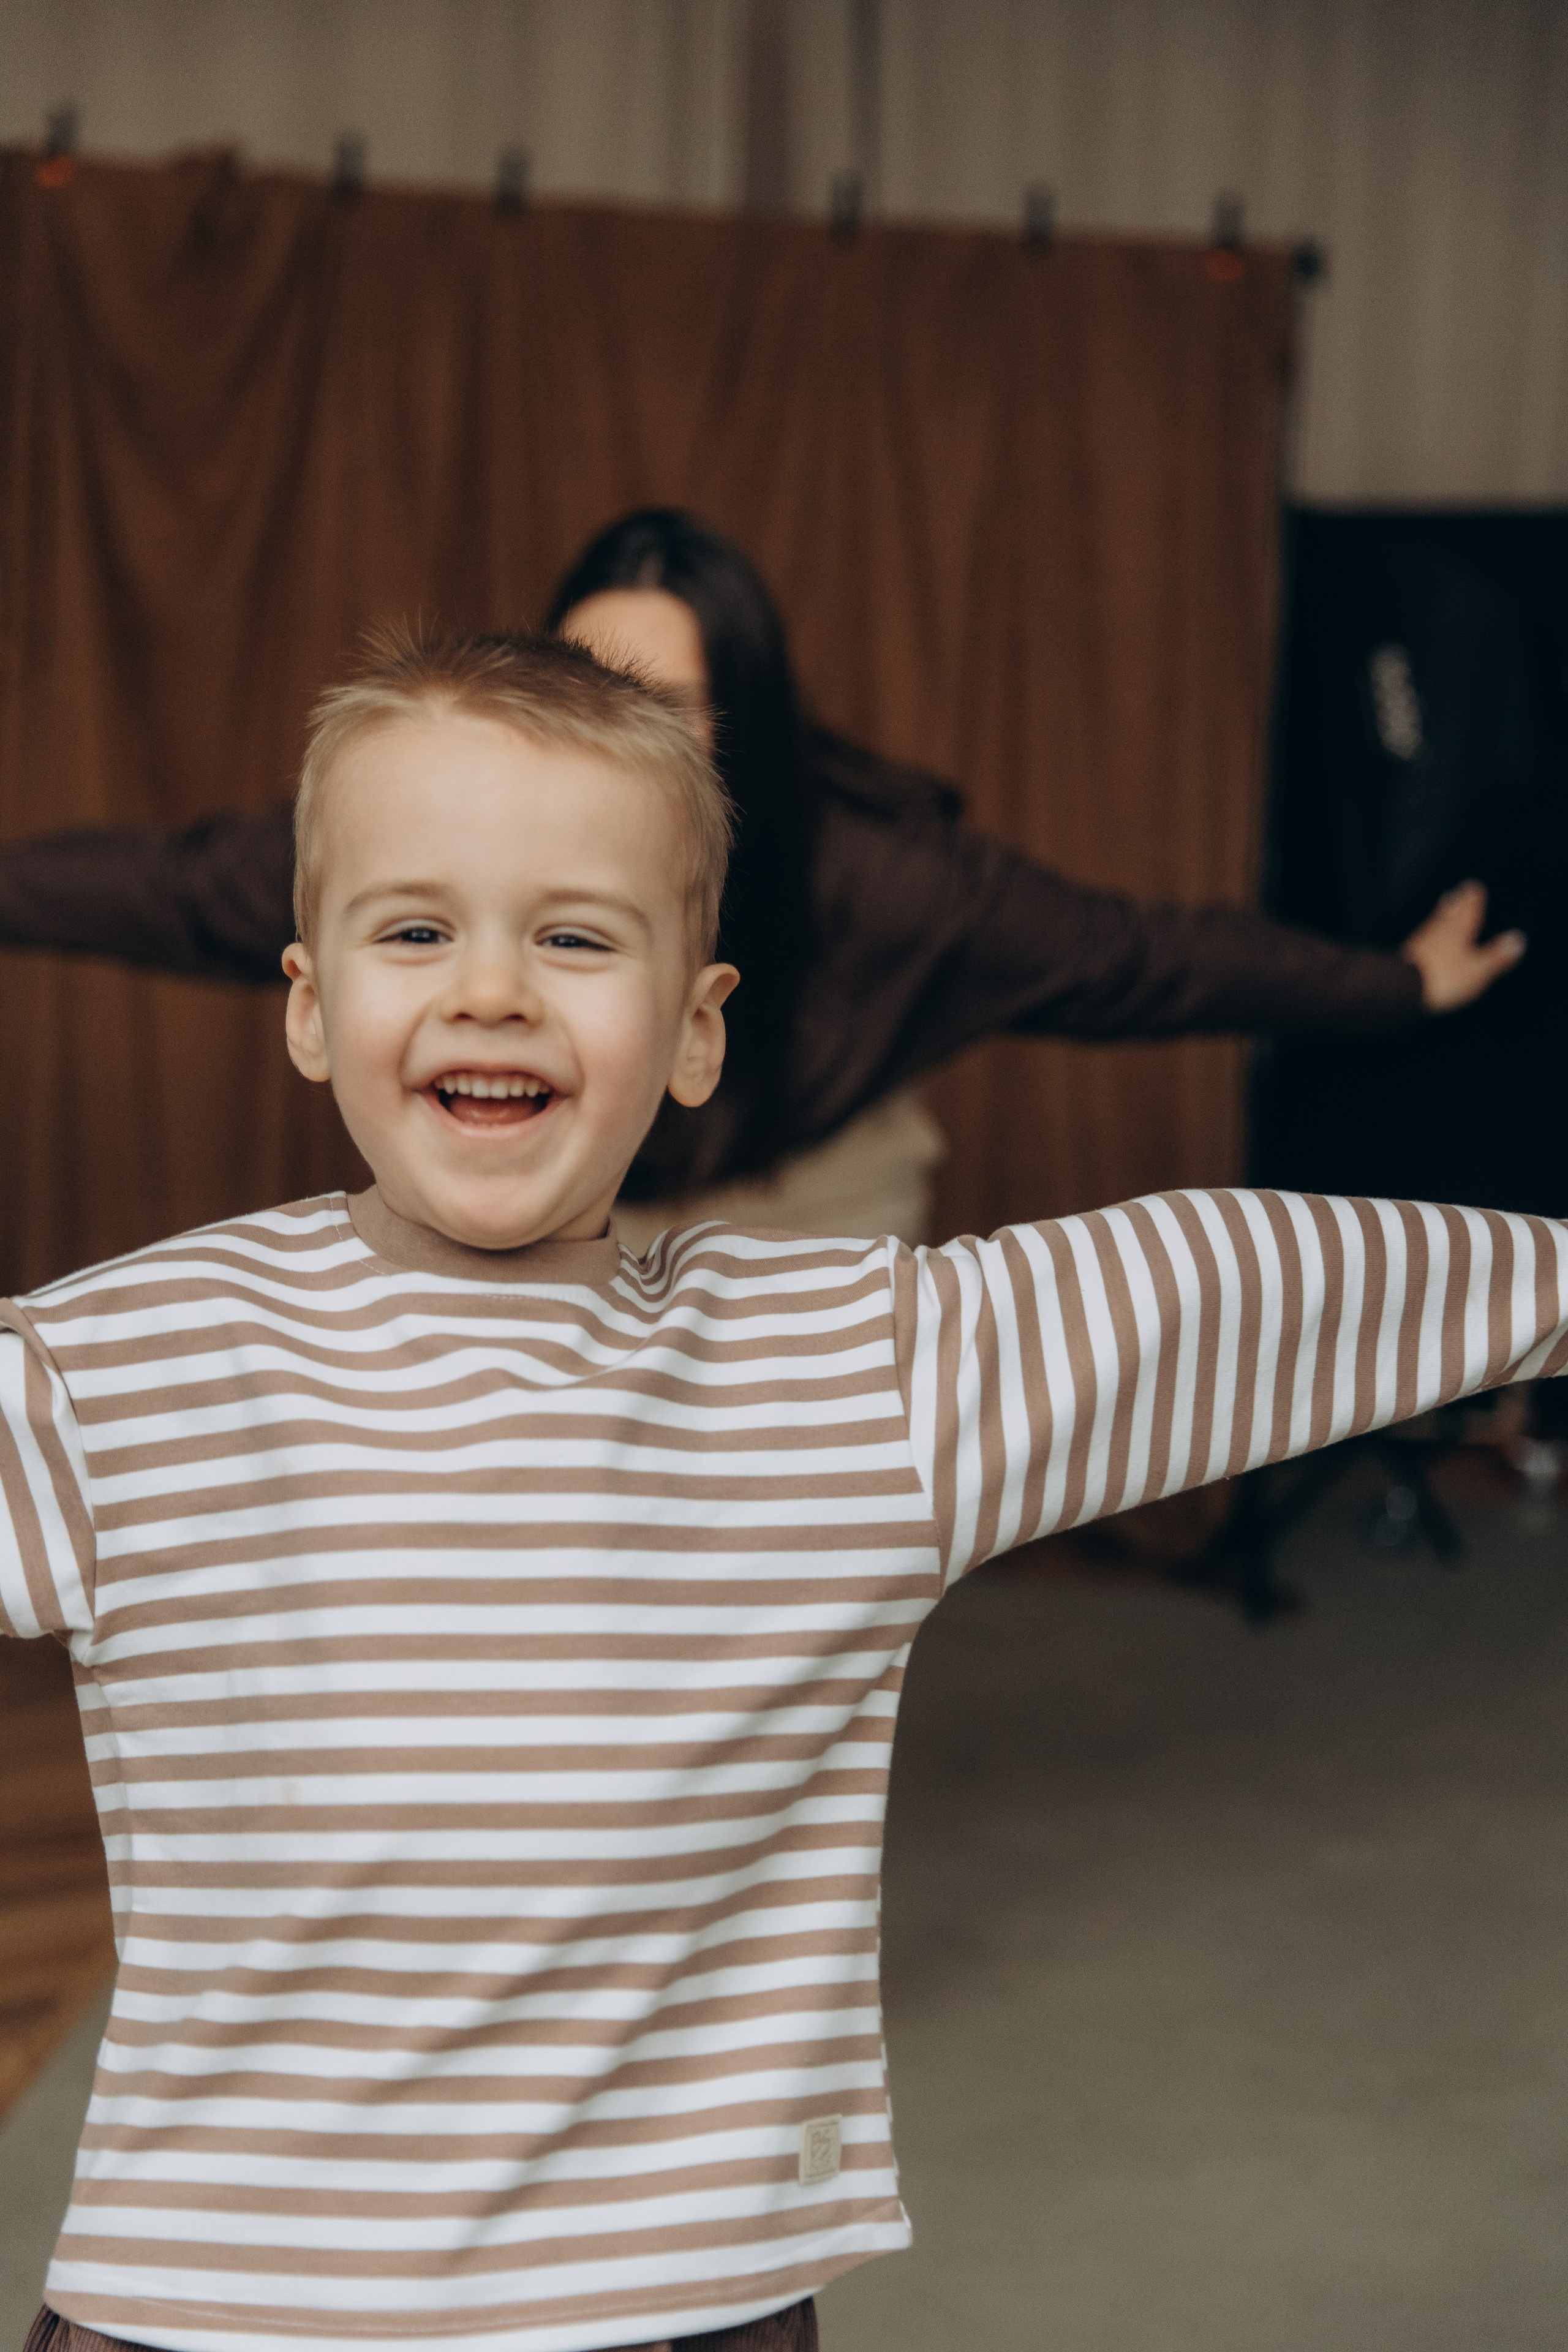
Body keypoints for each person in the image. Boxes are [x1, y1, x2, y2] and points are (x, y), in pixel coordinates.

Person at [5, 626, 1564, 2352]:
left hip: (677, 2308)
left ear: (693, 1031)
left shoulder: (850, 1371)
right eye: (418, 929)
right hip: (215, 2310)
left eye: (575, 936)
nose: (494, 987)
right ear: (312, 1005)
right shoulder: (122, 1368)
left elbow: (1229, 1283)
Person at [0, 514, 1526, 1246]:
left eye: (668, 699)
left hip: (804, 1187)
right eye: (586, 687)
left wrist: (1394, 985)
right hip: (587, 1194)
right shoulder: (451, 830)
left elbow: (1142, 960)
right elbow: (179, 881)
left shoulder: (897, 887)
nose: (623, 730)